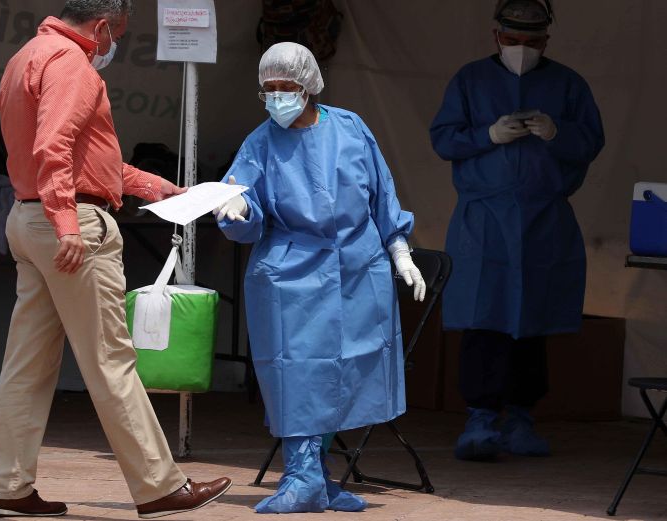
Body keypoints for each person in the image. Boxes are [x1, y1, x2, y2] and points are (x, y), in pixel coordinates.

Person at [0, 1, 231, 517]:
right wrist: (68, 223)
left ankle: (6, 486)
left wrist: (163, 189)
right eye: (116, 33)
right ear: (101, 26)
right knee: (111, 361)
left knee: (25, 364)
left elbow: (87, 159)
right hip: (67, 226)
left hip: (29, 219)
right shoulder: (73, 63)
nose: (112, 43)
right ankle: (159, 485)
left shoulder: (25, 57)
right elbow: (57, 146)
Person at [213, 42, 426, 514]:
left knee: (345, 371)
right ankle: (302, 476)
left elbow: (381, 194)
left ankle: (317, 474)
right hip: (290, 274)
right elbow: (241, 204)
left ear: (308, 85)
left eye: (286, 87)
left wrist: (399, 249)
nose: (277, 97)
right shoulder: (260, 143)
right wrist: (238, 207)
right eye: (268, 89)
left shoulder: (351, 129)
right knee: (299, 373)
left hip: (357, 270)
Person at [429, 0, 604, 461]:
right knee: (484, 320)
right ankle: (481, 420)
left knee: (532, 322)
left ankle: (522, 420)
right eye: (512, 41)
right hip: (483, 220)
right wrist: (487, 135)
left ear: (547, 40)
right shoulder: (470, 80)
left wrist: (557, 132)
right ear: (495, 37)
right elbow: (443, 139)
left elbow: (591, 142)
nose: (521, 49)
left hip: (543, 219)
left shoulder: (568, 85)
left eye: (532, 42)